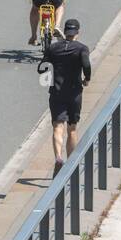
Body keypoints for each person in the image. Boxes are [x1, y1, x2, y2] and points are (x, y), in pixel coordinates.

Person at [43, 18, 91, 174]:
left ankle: (58, 157)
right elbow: (86, 65)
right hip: (74, 92)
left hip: (56, 92)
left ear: (66, 30)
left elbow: (43, 66)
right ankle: (70, 165)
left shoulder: (53, 48)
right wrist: (87, 78)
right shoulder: (82, 48)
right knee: (72, 128)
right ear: (78, 32)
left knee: (57, 126)